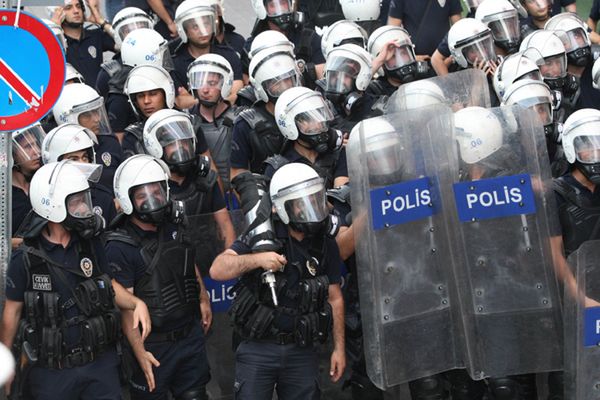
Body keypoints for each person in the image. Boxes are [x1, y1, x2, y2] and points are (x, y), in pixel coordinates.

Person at [1, 160, 150, 400]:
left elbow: (110, 285)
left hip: (99, 368)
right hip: (52, 375)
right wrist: (7, 368)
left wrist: (135, 303)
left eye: (84, 200)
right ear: (54, 206)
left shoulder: (91, 245)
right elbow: (12, 315)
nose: (84, 208)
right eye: (76, 202)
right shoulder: (25, 260)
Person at [210, 162, 345, 400]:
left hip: (301, 349)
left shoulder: (324, 243)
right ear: (282, 208)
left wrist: (339, 349)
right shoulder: (261, 237)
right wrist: (257, 259)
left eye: (314, 201)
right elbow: (218, 270)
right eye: (301, 204)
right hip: (258, 348)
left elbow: (335, 298)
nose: (310, 209)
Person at [106, 154, 212, 399]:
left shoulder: (176, 222)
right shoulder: (120, 244)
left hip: (190, 336)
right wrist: (139, 351)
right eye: (142, 195)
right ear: (128, 198)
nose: (152, 200)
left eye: (157, 192)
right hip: (154, 346)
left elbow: (187, 260)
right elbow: (126, 308)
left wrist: (203, 297)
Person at [230, 47, 301, 178]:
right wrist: (252, 197)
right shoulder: (245, 124)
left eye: (288, 79)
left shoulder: (308, 109)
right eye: (275, 83)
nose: (284, 87)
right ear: (260, 87)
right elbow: (237, 172)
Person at [187, 53, 239, 205]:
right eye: (200, 82)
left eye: (212, 83)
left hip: (238, 195)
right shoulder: (186, 122)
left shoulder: (240, 119)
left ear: (225, 84)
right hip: (203, 200)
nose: (205, 90)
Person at [53, 83, 124, 194]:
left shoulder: (110, 143)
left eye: (96, 111)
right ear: (68, 118)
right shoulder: (57, 153)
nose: (97, 119)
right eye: (87, 115)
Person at [41, 123, 118, 225]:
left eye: (85, 157)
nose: (82, 164)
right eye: (73, 159)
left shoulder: (103, 197)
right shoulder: (44, 199)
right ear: (55, 162)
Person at [172, 0, 243, 109]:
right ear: (184, 30)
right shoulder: (176, 63)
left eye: (206, 24)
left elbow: (237, 91)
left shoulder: (229, 55)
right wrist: (220, 96)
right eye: (195, 27)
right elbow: (181, 101)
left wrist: (196, 100)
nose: (202, 31)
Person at [244, 0, 326, 87]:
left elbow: (324, 73)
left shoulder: (309, 38)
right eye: (273, 5)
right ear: (262, 9)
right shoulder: (253, 48)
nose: (281, 9)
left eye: (284, 3)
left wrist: (307, 70)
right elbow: (247, 84)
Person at [51, 0, 115, 86]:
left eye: (78, 6)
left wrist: (100, 20)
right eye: (68, 8)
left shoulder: (95, 34)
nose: (76, 11)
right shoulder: (59, 43)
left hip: (102, 96)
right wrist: (54, 29)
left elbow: (125, 45)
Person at [387, 0, 462, 59]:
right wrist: (410, 58)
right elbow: (393, 34)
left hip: (445, 58)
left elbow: (459, 28)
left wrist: (453, 57)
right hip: (417, 62)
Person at [11, 124, 45, 239]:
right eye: (28, 147)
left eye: (36, 144)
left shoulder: (44, 182)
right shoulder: (5, 195)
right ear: (12, 154)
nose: (37, 151)